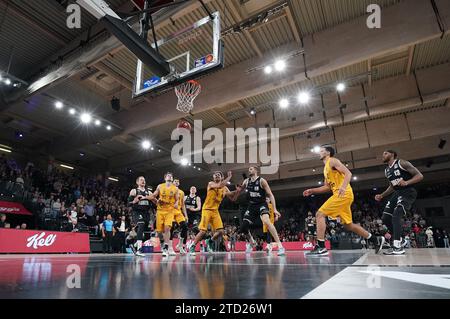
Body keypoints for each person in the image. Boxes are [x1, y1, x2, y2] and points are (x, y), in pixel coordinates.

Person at [303, 146, 380, 256]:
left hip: (343, 194)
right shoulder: (326, 168)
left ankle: (321, 246)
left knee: (319, 214)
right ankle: (375, 240)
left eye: (321, 151)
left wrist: (343, 187)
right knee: (349, 225)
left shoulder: (332, 161)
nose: (319, 153)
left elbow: (348, 173)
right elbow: (327, 187)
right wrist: (312, 190)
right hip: (341, 195)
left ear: (328, 152)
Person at [375, 150, 423, 255]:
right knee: (385, 218)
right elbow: (392, 186)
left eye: (385, 153)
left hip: (408, 191)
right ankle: (401, 239)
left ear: (392, 155)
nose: (383, 155)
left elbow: (419, 176)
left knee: (396, 215)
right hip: (397, 193)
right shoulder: (387, 170)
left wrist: (406, 182)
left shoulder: (402, 163)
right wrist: (382, 195)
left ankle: (397, 246)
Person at [189, 171, 241, 256]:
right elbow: (220, 185)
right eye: (215, 175)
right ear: (213, 178)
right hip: (207, 209)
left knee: (220, 231)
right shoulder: (211, 183)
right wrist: (229, 177)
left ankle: (210, 241)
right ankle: (193, 246)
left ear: (221, 178)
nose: (217, 176)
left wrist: (238, 191)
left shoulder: (224, 188)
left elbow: (233, 198)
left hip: (215, 211)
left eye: (219, 175)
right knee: (203, 231)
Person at [237, 166, 285, 256]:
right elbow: (240, 190)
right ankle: (252, 242)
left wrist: (274, 209)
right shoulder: (246, 181)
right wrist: (238, 190)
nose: (249, 170)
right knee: (243, 227)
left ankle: (280, 246)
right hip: (251, 206)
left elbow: (270, 195)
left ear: (256, 170)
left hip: (261, 204)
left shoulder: (262, 181)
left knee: (266, 221)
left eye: (251, 169)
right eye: (249, 169)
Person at [150, 172, 179, 257]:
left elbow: (177, 199)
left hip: (170, 211)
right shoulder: (160, 186)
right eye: (167, 175)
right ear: (165, 178)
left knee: (167, 228)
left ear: (172, 179)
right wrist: (154, 199)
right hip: (160, 211)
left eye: (171, 176)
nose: (169, 176)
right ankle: (163, 243)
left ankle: (166, 248)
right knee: (159, 232)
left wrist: (176, 203)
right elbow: (154, 195)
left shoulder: (175, 189)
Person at [128, 176, 153, 257]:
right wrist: (134, 201)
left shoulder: (149, 192)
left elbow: (154, 202)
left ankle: (134, 245)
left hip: (146, 213)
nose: (143, 181)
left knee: (146, 233)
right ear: (137, 182)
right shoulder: (134, 191)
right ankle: (139, 249)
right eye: (141, 180)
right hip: (137, 212)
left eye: (144, 180)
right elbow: (128, 204)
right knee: (141, 224)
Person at [171, 178, 188, 254]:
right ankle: (170, 248)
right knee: (171, 228)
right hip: (170, 212)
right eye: (175, 181)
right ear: (172, 182)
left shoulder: (182, 192)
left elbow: (183, 205)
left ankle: (180, 245)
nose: (176, 182)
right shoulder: (169, 190)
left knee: (185, 227)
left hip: (178, 212)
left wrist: (186, 215)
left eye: (178, 181)